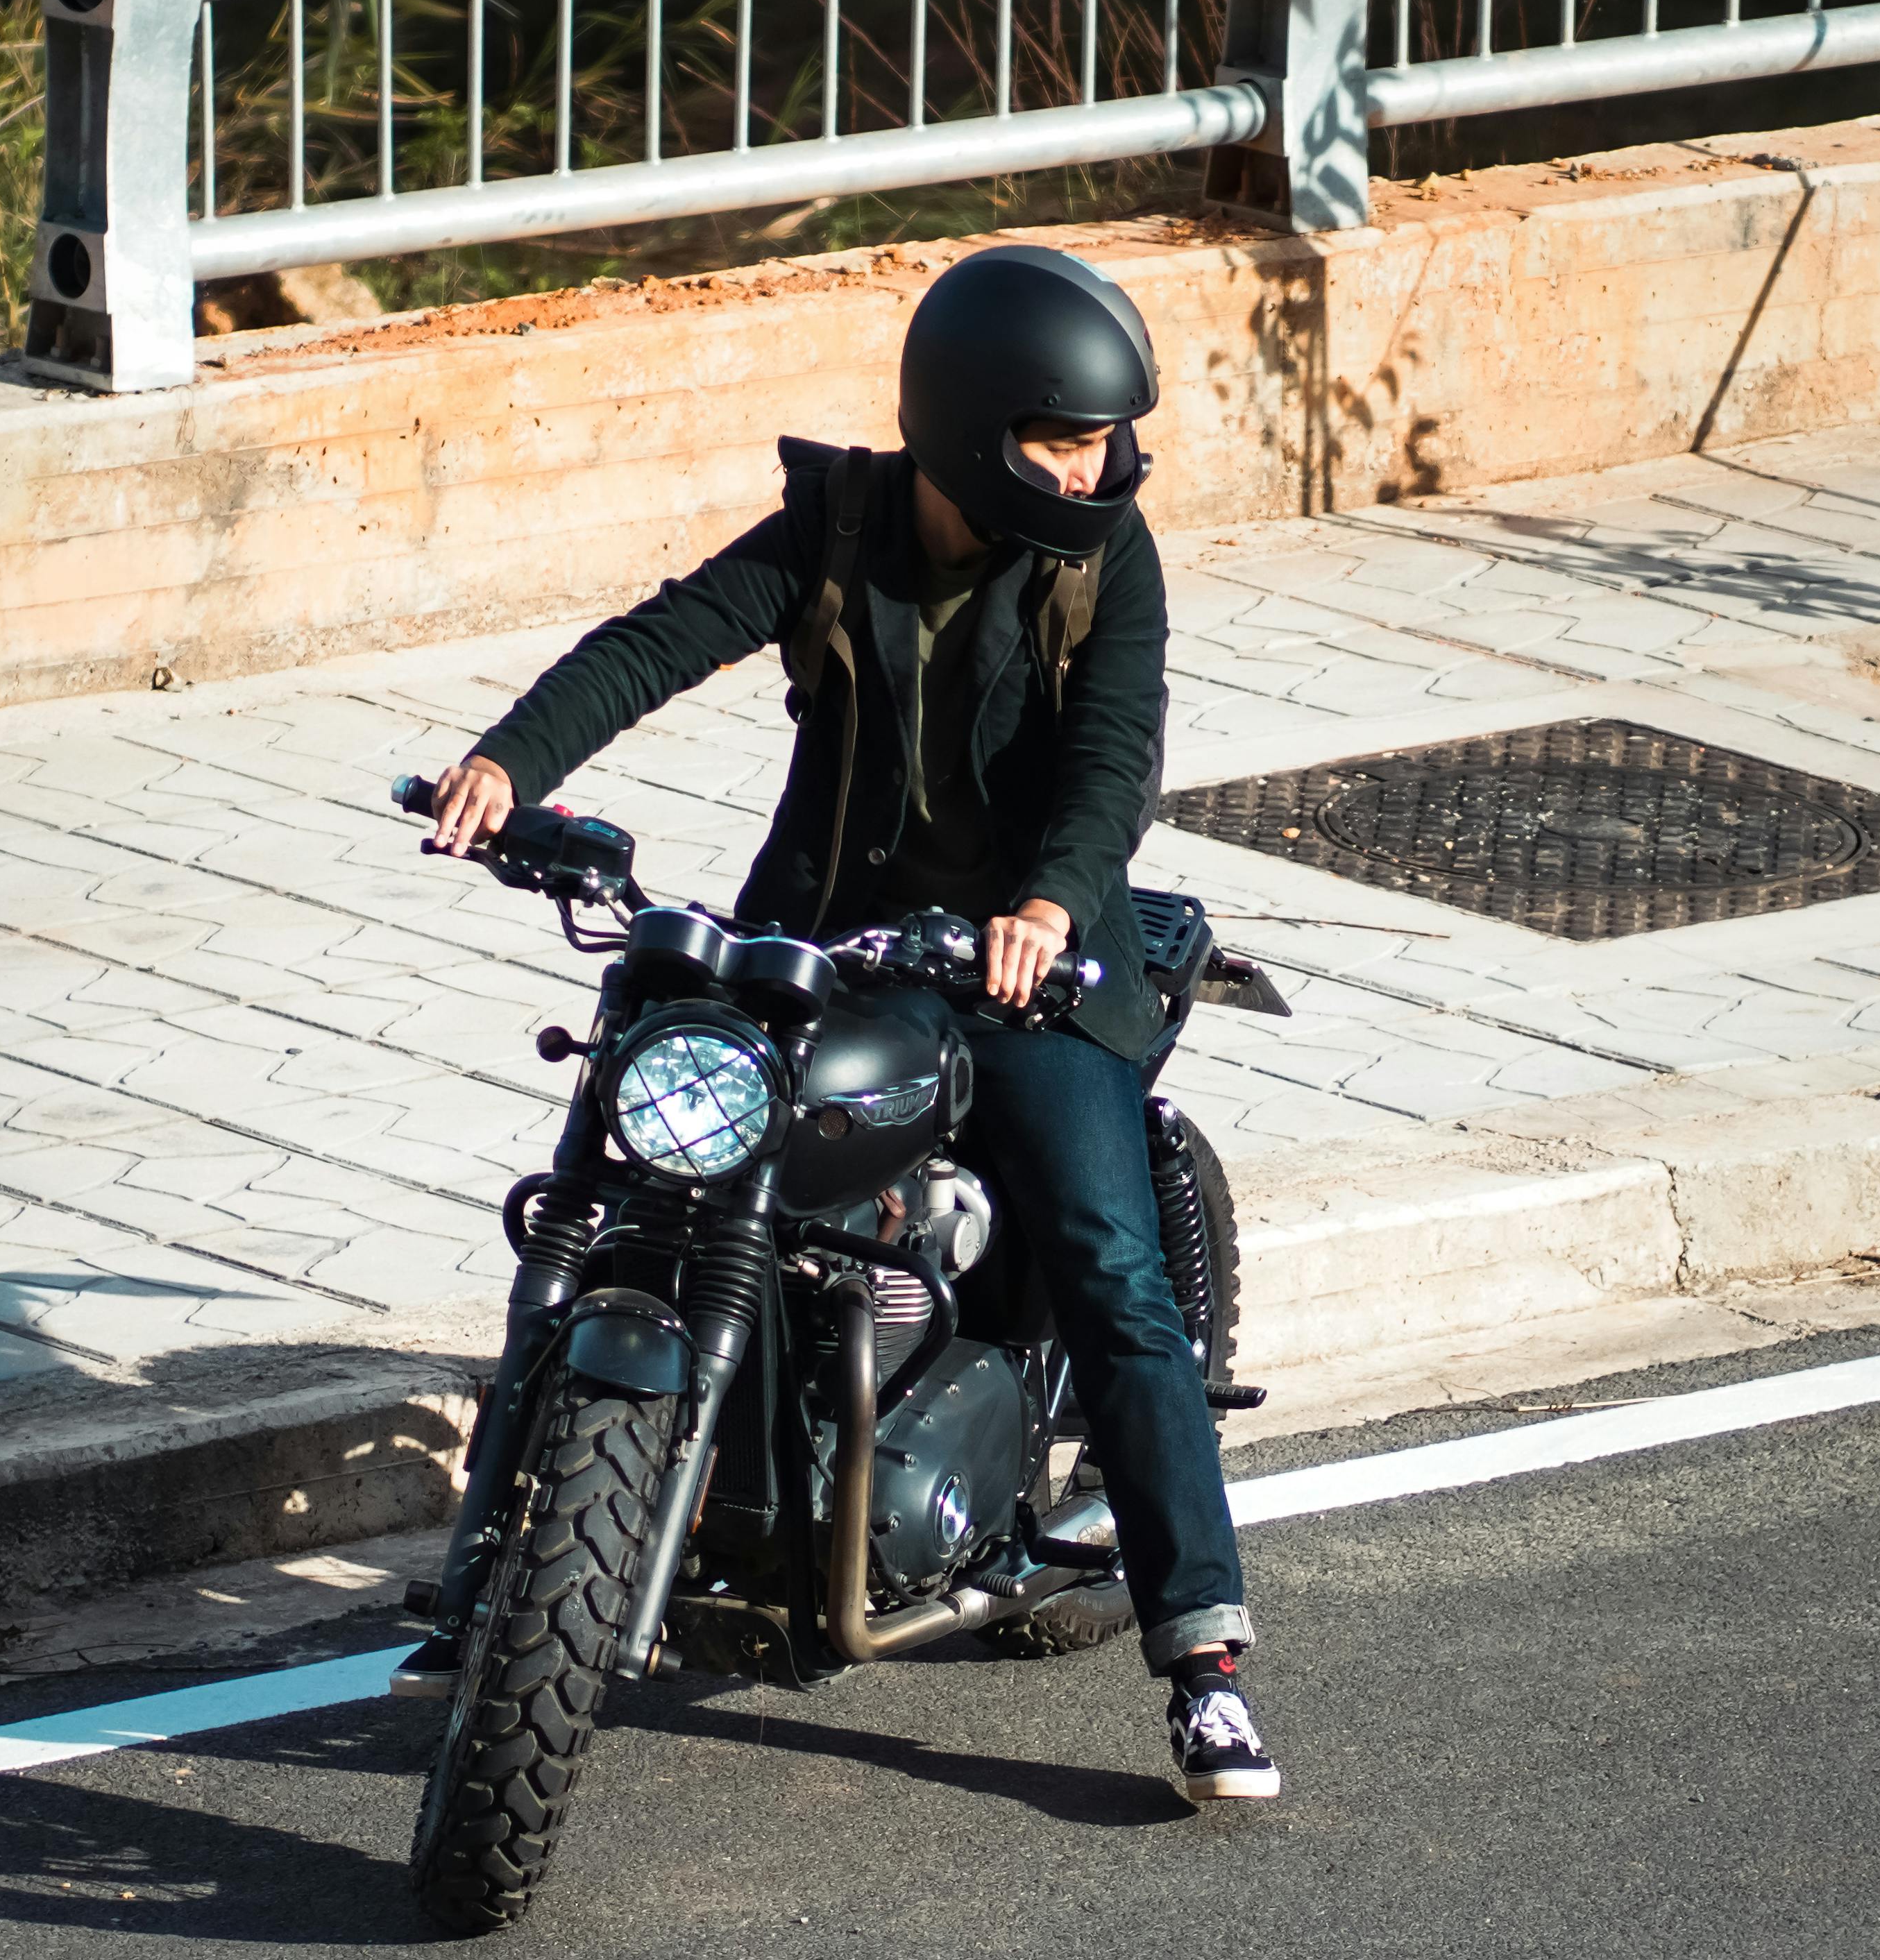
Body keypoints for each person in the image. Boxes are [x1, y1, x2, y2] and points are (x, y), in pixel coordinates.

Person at [412, 241, 1279, 1803]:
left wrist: (1046, 907)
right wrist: (510, 760)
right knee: (626, 1180)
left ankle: (1202, 1654)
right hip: (823, 938)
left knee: (1105, 1263)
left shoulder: (1103, 560)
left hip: (1018, 960)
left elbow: (1110, 753)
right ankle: (493, 1567)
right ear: (965, 429)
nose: (1094, 466)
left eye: (1102, 439)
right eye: (1061, 438)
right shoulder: (839, 528)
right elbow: (659, 637)